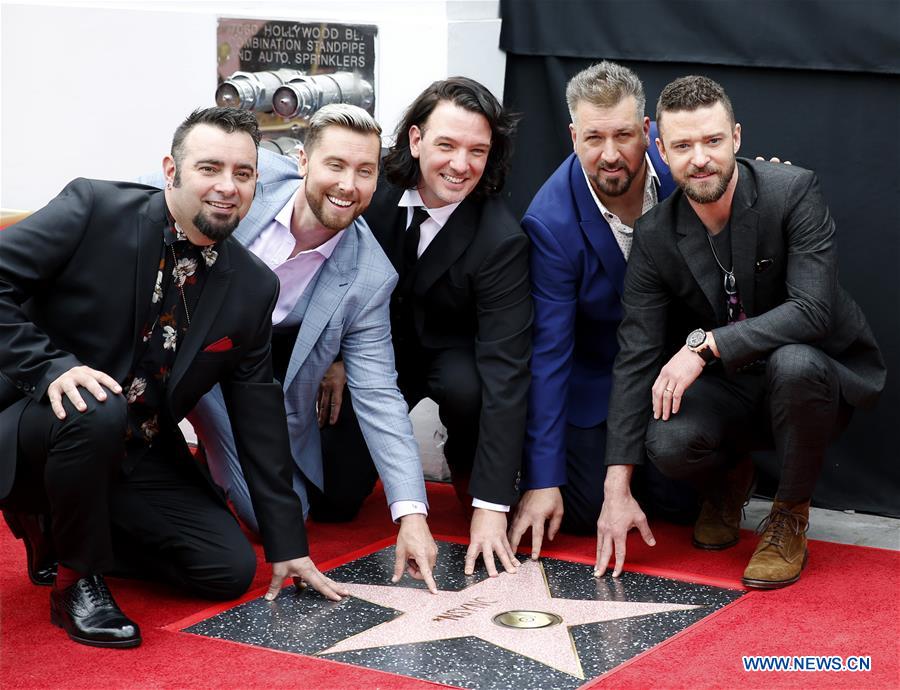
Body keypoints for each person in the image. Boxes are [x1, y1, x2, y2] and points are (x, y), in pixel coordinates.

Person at [0, 107, 346, 650]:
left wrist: (287, 541)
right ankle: (75, 583)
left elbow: (257, 412)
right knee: (97, 403)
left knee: (225, 570)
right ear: (171, 170)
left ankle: (56, 525)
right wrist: (50, 368)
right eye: (210, 168)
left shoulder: (252, 287)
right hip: (35, 423)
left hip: (137, 447)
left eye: (243, 173)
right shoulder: (95, 209)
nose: (227, 187)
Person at [596, 76, 886, 588]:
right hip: (732, 387)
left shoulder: (792, 191)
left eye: (712, 141)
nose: (700, 158)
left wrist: (707, 345)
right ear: (661, 150)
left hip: (813, 378)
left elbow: (813, 310)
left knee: (793, 363)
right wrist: (616, 488)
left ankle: (789, 514)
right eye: (683, 146)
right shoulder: (655, 234)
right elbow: (635, 353)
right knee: (666, 440)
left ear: (736, 137)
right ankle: (729, 479)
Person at [181, 104, 439, 592]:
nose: (348, 184)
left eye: (364, 171)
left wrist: (412, 515)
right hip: (174, 340)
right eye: (335, 165)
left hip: (243, 376)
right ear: (302, 161)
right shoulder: (245, 184)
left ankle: (206, 449)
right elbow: (154, 191)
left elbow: (381, 395)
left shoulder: (370, 275)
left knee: (283, 515)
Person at [333, 77, 532, 578]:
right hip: (371, 355)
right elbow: (328, 279)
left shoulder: (501, 238)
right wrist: (332, 358)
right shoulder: (368, 188)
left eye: (477, 150)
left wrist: (493, 504)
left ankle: (464, 458)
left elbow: (507, 371)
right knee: (333, 501)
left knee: (473, 389)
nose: (460, 165)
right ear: (417, 140)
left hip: (458, 360)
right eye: (446, 145)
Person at [511, 62, 698, 560]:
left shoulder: (685, 170)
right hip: (600, 380)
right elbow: (550, 352)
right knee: (574, 512)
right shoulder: (549, 221)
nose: (610, 154)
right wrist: (542, 480)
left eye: (624, 135)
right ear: (573, 135)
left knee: (681, 497)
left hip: (684, 369)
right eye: (594, 137)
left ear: (647, 131)